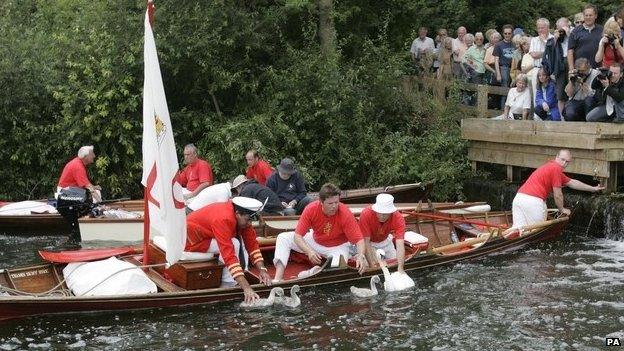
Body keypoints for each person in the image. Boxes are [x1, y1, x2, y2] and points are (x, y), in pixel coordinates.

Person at [272, 183, 368, 282]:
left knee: (335, 272)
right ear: (321, 202)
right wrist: (309, 251)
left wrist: (361, 256)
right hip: (316, 241)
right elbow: (297, 236)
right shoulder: (311, 209)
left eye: (336, 202)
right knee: (283, 237)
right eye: (330, 203)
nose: (334, 206)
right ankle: (278, 278)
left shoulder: (345, 212)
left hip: (337, 247)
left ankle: (314, 272)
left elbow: (359, 240)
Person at [185, 197, 271, 303]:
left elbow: (252, 245)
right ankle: (227, 284)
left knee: (236, 242)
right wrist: (246, 288)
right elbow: (228, 255)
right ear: (238, 213)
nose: (249, 224)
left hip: (206, 235)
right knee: (234, 243)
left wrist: (263, 270)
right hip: (192, 242)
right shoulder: (223, 219)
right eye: (248, 220)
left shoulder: (242, 216)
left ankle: (236, 278)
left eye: (251, 220)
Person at [511, 150, 604, 228]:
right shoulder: (556, 169)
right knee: (537, 232)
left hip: (519, 199)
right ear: (556, 157)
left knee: (517, 231)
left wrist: (593, 188)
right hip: (533, 202)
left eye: (567, 161)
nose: (564, 163)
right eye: (562, 159)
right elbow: (558, 194)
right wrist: (562, 209)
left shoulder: (551, 167)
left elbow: (573, 183)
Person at [358, 194, 408, 273]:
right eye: (380, 212)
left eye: (385, 213)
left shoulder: (398, 218)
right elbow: (365, 241)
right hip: (370, 243)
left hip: (386, 241)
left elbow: (400, 244)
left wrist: (401, 267)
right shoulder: (366, 214)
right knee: (371, 264)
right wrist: (372, 265)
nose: (382, 216)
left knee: (395, 262)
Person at [542, 18, 571, 114]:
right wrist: (555, 39)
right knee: (560, 94)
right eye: (559, 28)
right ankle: (562, 119)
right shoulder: (553, 40)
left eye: (564, 28)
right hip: (559, 66)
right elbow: (549, 52)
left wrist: (569, 34)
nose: (561, 31)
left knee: (572, 92)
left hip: (571, 64)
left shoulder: (573, 36)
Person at [568, 4, 603, 69]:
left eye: (590, 15)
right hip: (580, 69)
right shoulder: (575, 31)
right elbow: (570, 51)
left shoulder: (602, 30)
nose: (588, 17)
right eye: (586, 15)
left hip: (597, 68)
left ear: (595, 16)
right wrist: (571, 68)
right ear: (583, 16)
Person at [494, 24, 516, 107]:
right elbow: (496, 60)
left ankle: (511, 111)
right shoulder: (499, 45)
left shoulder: (514, 44)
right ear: (503, 34)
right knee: (504, 90)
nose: (507, 35)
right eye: (505, 33)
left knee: (513, 90)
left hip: (513, 69)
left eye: (509, 33)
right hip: (503, 68)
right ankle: (503, 110)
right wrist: (498, 74)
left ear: (512, 34)